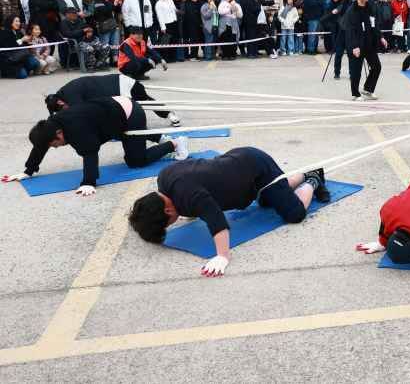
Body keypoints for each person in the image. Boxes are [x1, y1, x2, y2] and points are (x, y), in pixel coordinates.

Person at [128, 147, 329, 277]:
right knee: (267, 200)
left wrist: (222, 256)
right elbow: (195, 179)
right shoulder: (164, 179)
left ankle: (312, 178)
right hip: (240, 160)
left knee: (294, 214)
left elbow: (218, 222)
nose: (171, 224)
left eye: (167, 222)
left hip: (258, 169)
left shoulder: (190, 196)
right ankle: (287, 185)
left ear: (167, 209)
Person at [2, 97, 188, 196]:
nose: (57, 147)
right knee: (123, 135)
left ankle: (174, 143)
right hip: (111, 115)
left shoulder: (75, 129)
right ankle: (161, 139)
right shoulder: (52, 126)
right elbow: (41, 145)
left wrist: (88, 182)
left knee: (135, 160)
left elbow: (90, 153)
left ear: (59, 134)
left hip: (129, 113)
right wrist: (28, 171)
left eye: (56, 145)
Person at [45, 73, 180, 126]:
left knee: (139, 105)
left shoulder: (71, 96)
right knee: (145, 99)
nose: (65, 111)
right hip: (122, 80)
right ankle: (169, 114)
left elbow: (81, 115)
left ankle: (168, 114)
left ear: (60, 102)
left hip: (121, 89)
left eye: (62, 109)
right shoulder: (66, 91)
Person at [344, 0, 387, 101]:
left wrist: (381, 37)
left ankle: (368, 89)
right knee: (355, 71)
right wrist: (354, 46)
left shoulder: (370, 7)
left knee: (376, 67)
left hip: (369, 43)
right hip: (356, 45)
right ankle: (355, 94)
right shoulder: (351, 11)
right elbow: (350, 30)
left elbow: (374, 24)